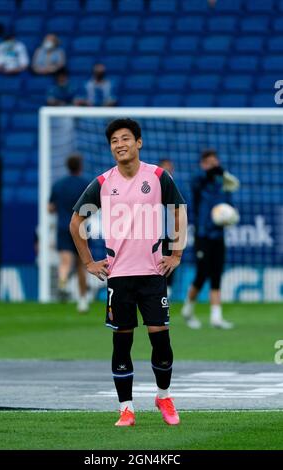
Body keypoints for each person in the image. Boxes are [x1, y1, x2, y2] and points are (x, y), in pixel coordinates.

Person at [70, 118, 187, 426]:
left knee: (160, 341)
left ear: (139, 143)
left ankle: (163, 396)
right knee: (122, 342)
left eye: (125, 139)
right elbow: (75, 223)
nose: (119, 144)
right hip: (118, 277)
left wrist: (176, 254)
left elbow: (178, 211)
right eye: (113, 141)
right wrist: (88, 262)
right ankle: (126, 408)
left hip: (152, 274)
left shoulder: (159, 177)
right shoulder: (103, 183)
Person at [181, 149, 239, 330]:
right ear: (203, 164)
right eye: (209, 162)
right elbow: (197, 181)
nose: (213, 165)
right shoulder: (199, 182)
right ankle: (187, 310)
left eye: (216, 162)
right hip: (203, 235)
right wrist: (211, 172)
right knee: (202, 273)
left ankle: (216, 317)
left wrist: (230, 217)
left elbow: (230, 209)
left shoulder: (222, 185)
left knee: (216, 274)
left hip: (218, 236)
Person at [48, 154, 90, 312]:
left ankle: (63, 281)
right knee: (82, 265)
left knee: (65, 262)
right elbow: (92, 208)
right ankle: (83, 301)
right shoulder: (86, 185)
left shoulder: (58, 185)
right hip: (80, 228)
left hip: (63, 227)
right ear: (80, 166)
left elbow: (50, 208)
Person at [158, 158, 177, 299]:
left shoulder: (174, 187)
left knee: (171, 259)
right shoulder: (152, 186)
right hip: (155, 232)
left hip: (170, 232)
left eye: (169, 167)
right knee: (157, 261)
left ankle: (168, 290)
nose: (167, 170)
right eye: (165, 168)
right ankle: (158, 288)